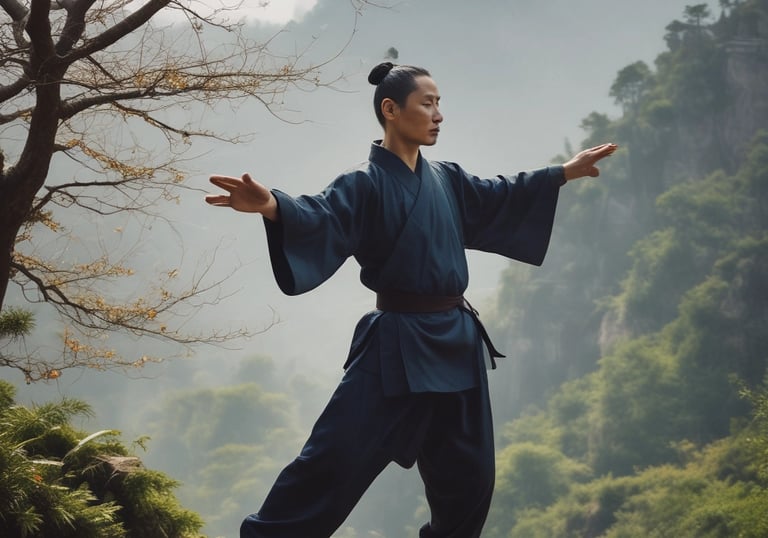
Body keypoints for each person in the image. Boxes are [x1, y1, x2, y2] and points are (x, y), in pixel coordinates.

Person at [205, 62, 617, 538]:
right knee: (334, 459)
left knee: (471, 480)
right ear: (391, 110)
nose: (439, 114)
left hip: (456, 342)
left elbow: (498, 195)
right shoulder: (363, 183)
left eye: (440, 104)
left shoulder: (446, 177)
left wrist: (563, 173)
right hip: (397, 344)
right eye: (428, 103)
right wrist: (273, 205)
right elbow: (321, 215)